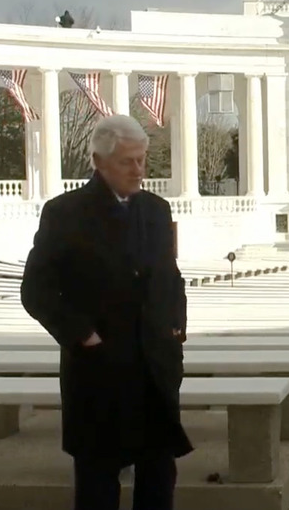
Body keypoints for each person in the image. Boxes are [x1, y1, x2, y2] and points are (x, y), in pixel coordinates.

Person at [21, 114, 193, 510]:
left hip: (153, 367)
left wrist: (175, 333)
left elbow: (171, 277)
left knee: (158, 481)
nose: (139, 170)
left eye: (142, 159)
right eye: (127, 162)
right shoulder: (65, 213)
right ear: (99, 162)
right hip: (98, 368)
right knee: (98, 484)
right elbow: (36, 289)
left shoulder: (156, 209)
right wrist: (83, 334)